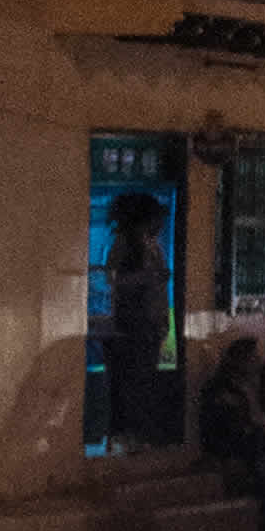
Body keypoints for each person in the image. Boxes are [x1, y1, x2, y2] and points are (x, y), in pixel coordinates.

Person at [106, 192, 172, 450]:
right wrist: (149, 277)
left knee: (145, 382)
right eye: (154, 219)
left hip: (151, 326)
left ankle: (139, 434)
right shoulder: (124, 244)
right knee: (131, 383)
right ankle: (128, 435)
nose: (159, 224)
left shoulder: (152, 246)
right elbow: (115, 280)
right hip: (132, 327)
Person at [196, 337, 265, 490]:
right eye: (254, 358)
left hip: (253, 443)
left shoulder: (254, 386)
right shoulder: (220, 389)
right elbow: (223, 429)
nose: (260, 362)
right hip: (233, 450)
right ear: (240, 361)